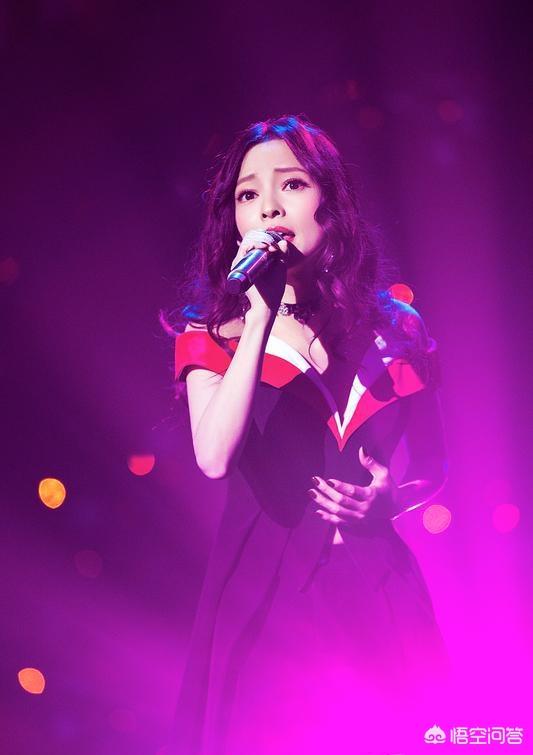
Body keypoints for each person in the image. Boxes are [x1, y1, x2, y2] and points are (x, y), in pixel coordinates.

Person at [170, 115, 449, 755]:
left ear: (332, 201)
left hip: (379, 588)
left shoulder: (397, 327)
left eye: (291, 184)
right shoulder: (212, 333)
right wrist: (259, 317)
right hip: (265, 599)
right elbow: (213, 457)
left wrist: (390, 500)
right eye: (247, 194)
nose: (268, 207)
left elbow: (434, 467)